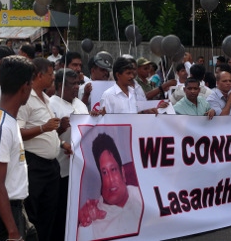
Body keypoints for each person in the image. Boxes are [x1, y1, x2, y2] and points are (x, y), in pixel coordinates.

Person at [0, 56, 37, 241]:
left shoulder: (7, 120)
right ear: (25, 86)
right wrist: (12, 233)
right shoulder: (0, 126)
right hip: (1, 216)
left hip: (14, 209)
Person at [17, 57, 72, 241]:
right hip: (34, 165)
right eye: (50, 74)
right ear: (39, 75)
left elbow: (49, 134)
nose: (53, 78)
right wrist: (43, 128)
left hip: (51, 165)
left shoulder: (46, 98)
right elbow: (17, 132)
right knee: (33, 214)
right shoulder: (26, 99)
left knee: (50, 213)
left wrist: (62, 144)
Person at [78, 133, 142, 240]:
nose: (110, 180)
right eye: (104, 173)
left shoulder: (144, 197)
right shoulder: (90, 221)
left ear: (123, 172)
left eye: (113, 169)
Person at [49, 69, 89, 241]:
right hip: (60, 170)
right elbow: (44, 138)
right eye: (72, 84)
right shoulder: (51, 104)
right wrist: (60, 130)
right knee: (60, 213)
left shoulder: (80, 104)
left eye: (77, 83)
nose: (76, 87)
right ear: (59, 85)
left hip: (79, 168)